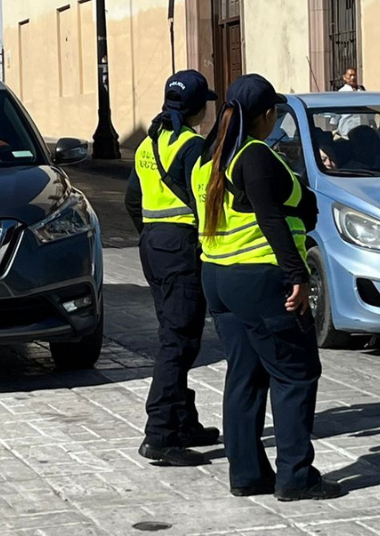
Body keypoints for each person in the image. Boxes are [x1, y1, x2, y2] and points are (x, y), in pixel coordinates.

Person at [192, 74, 341, 502]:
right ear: (268, 115)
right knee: (295, 374)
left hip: (219, 277)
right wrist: (297, 275)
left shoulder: (210, 157)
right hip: (261, 277)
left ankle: (247, 473)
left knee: (246, 374)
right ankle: (295, 476)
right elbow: (271, 219)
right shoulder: (254, 156)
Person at [124, 70, 220, 467]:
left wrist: (153, 235)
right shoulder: (192, 145)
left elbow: (132, 200)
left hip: (153, 245)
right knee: (178, 342)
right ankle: (160, 434)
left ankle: (183, 419)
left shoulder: (150, 141)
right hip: (181, 248)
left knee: (175, 333)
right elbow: (204, 202)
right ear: (198, 108)